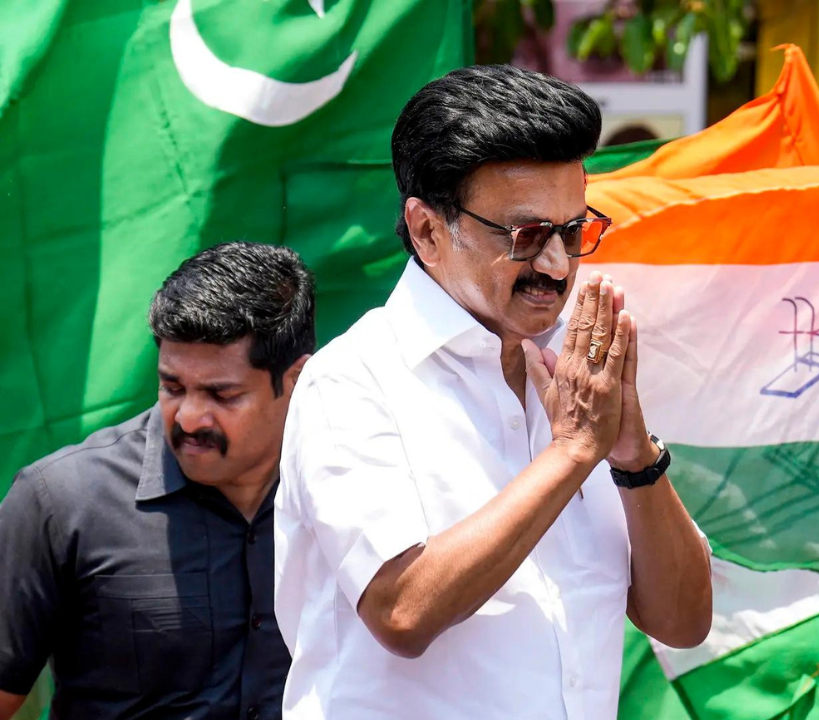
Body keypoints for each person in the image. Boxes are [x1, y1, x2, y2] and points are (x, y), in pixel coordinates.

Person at [274, 64, 713, 719]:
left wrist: (635, 460)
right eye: (527, 237)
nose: (557, 266)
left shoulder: (578, 376)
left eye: (573, 232)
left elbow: (683, 622)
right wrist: (571, 453)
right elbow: (402, 610)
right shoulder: (353, 382)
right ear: (427, 231)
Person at [0, 242, 314, 720]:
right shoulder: (61, 502)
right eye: (173, 387)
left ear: (296, 380)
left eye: (221, 394)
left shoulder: (352, 488)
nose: (188, 418)